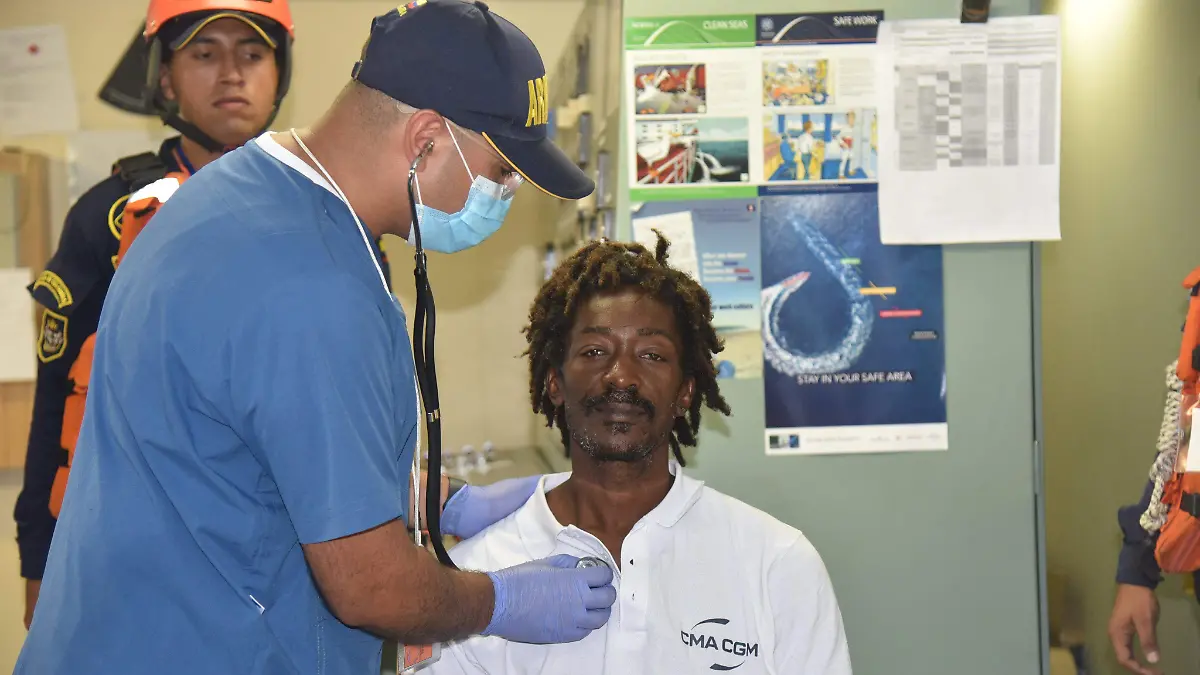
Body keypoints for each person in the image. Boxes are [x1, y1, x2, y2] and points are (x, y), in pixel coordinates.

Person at [14, 1, 615, 673]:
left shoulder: (234, 196)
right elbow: (371, 585)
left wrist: (431, 497)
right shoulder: (313, 285)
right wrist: (502, 600)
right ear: (424, 141)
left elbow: (237, 447)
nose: (504, 193)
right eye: (502, 171)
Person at [11, 0, 388, 629]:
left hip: (295, 566)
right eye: (204, 54)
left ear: (280, 73)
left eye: (252, 53)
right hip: (132, 564)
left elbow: (362, 402)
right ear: (165, 77)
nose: (231, 73)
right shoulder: (109, 218)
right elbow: (56, 403)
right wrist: (38, 561)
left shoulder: (336, 216)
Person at [426, 232, 853, 674]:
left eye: (651, 354)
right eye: (595, 351)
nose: (622, 377)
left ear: (686, 391)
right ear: (554, 382)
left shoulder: (777, 563)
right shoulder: (475, 584)